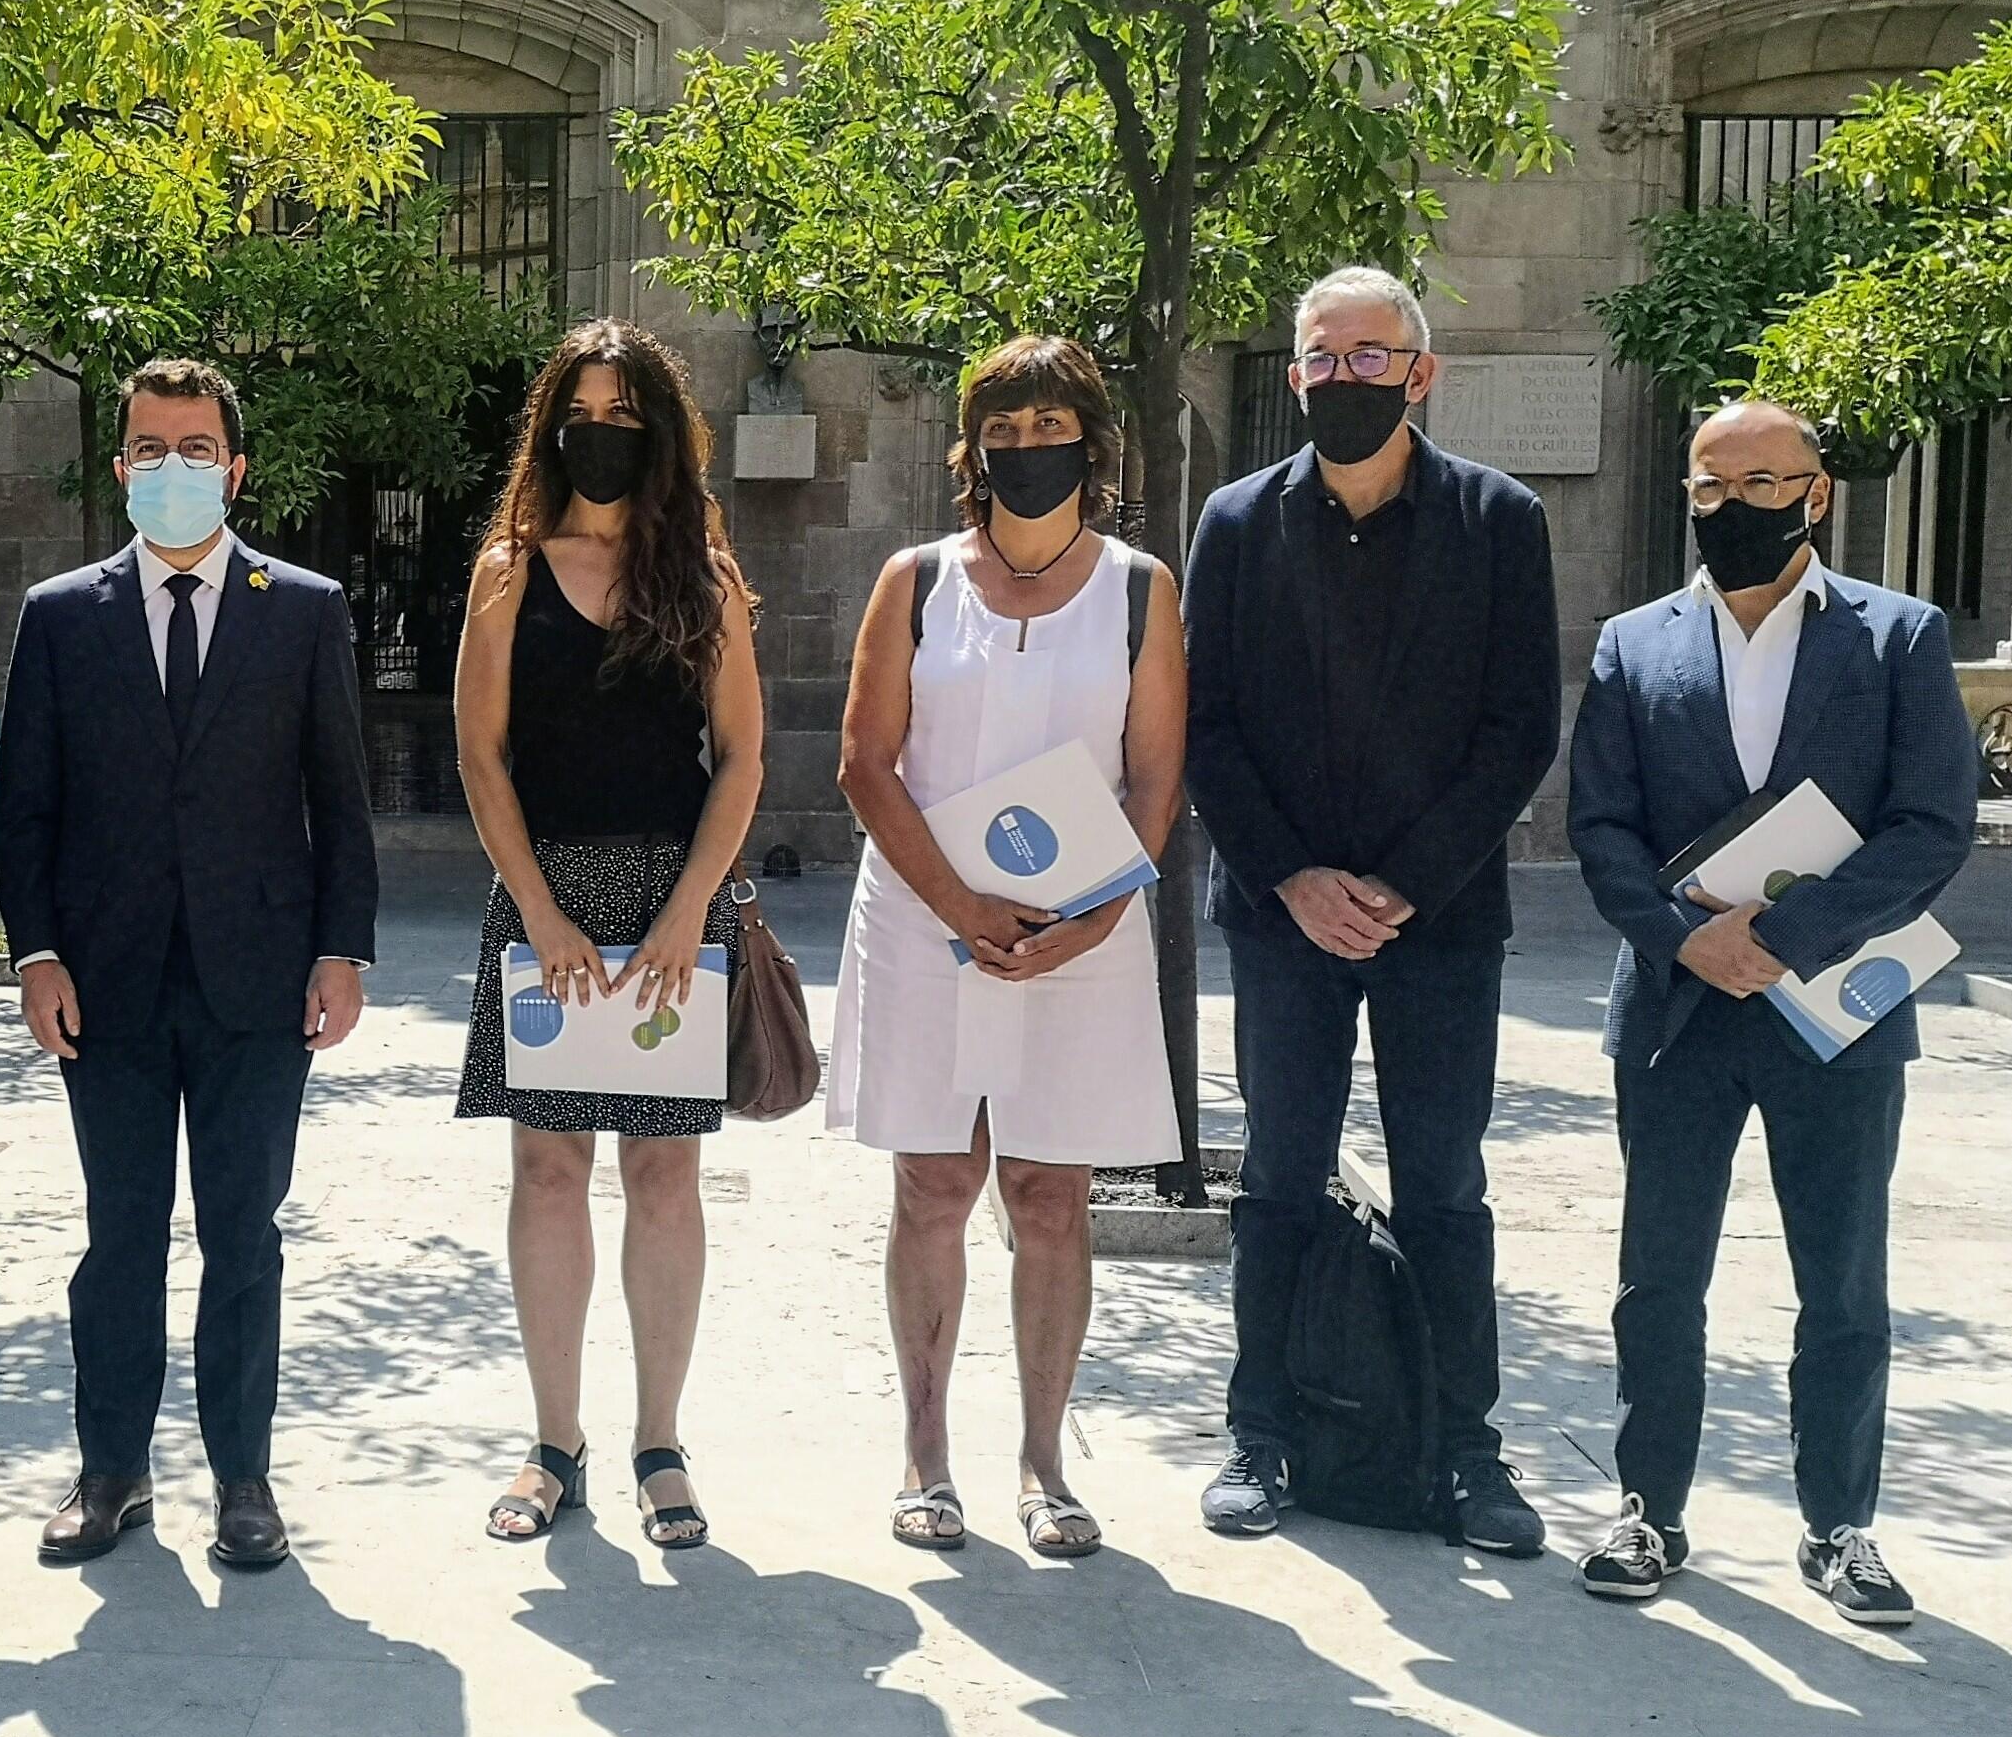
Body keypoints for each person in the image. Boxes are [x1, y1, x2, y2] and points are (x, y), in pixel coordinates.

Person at [1565, 397, 1978, 1625]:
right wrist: (1688, 940)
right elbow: (1599, 826)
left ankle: (1840, 1525)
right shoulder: (1634, 643)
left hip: (1834, 1010)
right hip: (1675, 1011)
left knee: (1841, 1280)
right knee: (1658, 1275)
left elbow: (1932, 823)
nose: (1730, 506)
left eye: (1760, 483)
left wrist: (1780, 937)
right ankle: (1648, 1508)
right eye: (1708, 485)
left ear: (1814, 494)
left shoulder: (1897, 635)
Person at [1184, 266, 1559, 1554]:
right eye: (1320, 358)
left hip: (1438, 922)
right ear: (1292, 377)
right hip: (1281, 916)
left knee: (1443, 1187)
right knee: (1279, 1178)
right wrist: (1293, 875)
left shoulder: (1498, 520)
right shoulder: (1234, 523)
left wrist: (1403, 882)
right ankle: (1260, 1430)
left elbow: (1520, 727)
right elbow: (1206, 723)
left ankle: (1466, 1452)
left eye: (1370, 355)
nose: (1343, 377)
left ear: (1421, 371)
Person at [0, 358, 376, 1571]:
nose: (175, 467)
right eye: (151, 447)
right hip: (103, 980)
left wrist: (343, 950)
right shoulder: (60, 615)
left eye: (196, 446)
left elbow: (341, 798)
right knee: (118, 1237)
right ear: (118, 470)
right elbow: (26, 806)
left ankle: (242, 1477)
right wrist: (35, 953)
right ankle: (111, 1472)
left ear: (236, 466)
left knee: (242, 1235)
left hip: (256, 980)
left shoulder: (302, 606)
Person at [830, 335, 1185, 1559]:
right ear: (971, 445)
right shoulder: (917, 579)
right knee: (933, 1186)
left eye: (1053, 428)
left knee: (1050, 1194)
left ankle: (1042, 1461)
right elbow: (865, 763)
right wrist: (960, 906)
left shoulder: (1138, 587)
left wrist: (1089, 917)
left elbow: (1152, 779)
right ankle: (924, 1456)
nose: (1030, 449)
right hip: (927, 926)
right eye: (1007, 428)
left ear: (1094, 441)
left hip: (1081, 935)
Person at [453, 320, 764, 1554]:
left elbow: (741, 754)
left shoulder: (706, 572)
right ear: (550, 426)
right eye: (580, 410)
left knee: (663, 1176)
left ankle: (658, 1440)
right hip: (546, 901)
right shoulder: (506, 569)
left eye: (625, 414)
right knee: (544, 1171)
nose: (601, 432)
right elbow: (480, 756)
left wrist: (691, 905)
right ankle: (553, 1440)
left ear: (661, 434)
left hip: (670, 903)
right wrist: (536, 908)